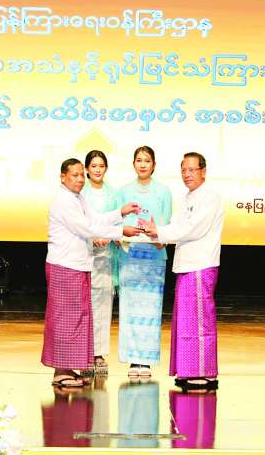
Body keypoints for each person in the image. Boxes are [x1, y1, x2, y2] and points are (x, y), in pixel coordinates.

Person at [42, 158, 140, 388]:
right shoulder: (63, 201)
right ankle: (60, 371)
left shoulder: (78, 198)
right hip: (65, 265)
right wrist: (120, 231)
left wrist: (120, 212)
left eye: (80, 175)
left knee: (76, 318)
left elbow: (96, 218)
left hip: (77, 265)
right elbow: (87, 228)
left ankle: (68, 368)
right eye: (74, 175)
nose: (79, 179)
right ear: (62, 177)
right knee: (65, 318)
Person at [141, 152, 224, 390]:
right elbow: (177, 226)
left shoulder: (210, 197)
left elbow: (193, 229)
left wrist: (160, 233)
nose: (187, 175)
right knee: (188, 322)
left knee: (200, 323)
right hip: (186, 265)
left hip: (200, 264)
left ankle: (204, 373)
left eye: (192, 170)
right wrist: (156, 230)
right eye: (183, 170)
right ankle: (188, 370)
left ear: (203, 171)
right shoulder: (187, 197)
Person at [117, 146, 172, 378]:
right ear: (133, 164)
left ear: (154, 164)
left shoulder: (163, 192)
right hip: (130, 255)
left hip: (154, 256)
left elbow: (166, 223)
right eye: (138, 160)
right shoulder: (124, 191)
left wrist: (158, 235)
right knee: (130, 309)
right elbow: (117, 222)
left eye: (147, 160)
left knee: (150, 309)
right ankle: (132, 359)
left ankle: (146, 361)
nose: (142, 164)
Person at [81, 150, 121, 375]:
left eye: (101, 166)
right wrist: (91, 236)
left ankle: (99, 353)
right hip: (83, 254)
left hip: (106, 255)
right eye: (93, 166)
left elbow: (119, 221)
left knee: (103, 305)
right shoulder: (80, 192)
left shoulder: (114, 194)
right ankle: (83, 352)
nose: (97, 169)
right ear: (87, 169)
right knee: (84, 305)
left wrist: (108, 236)